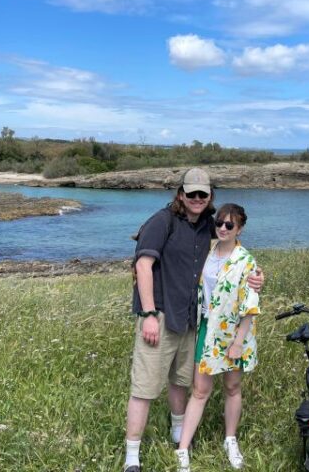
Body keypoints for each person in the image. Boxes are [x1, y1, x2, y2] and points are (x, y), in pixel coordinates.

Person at [124, 169, 263, 472]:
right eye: (191, 194)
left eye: (203, 194)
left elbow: (234, 255)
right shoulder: (162, 222)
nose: (197, 199)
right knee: (145, 386)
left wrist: (256, 279)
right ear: (181, 194)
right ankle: (131, 456)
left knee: (181, 381)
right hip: (160, 314)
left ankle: (179, 435)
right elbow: (143, 265)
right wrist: (148, 313)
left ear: (210, 196)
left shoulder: (207, 228)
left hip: (191, 319)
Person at [175, 203, 259, 472]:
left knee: (232, 387)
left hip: (234, 334)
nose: (222, 228)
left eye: (229, 225)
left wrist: (238, 342)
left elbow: (250, 305)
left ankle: (230, 439)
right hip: (207, 331)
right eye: (219, 223)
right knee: (200, 391)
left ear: (240, 228)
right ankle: (183, 450)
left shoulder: (245, 260)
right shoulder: (208, 254)